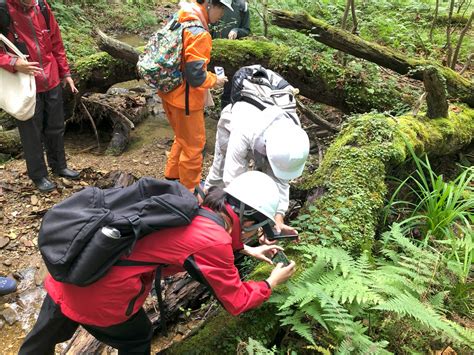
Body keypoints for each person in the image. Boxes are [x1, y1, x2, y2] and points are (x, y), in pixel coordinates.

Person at [19, 171, 296, 354]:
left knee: (40, 342)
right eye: (256, 227)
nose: (254, 233)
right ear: (246, 217)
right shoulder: (214, 240)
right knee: (137, 336)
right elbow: (237, 300)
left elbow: (191, 239)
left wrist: (247, 249)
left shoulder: (194, 200)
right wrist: (270, 283)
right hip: (99, 294)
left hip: (71, 270)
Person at [0, 0, 79, 193]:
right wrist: (13, 62)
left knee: (56, 126)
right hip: (24, 84)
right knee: (31, 133)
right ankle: (38, 175)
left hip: (50, 77)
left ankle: (59, 166)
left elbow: (56, 42)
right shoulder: (3, 9)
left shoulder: (42, 7)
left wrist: (66, 74)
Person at [204, 103, 310, 237]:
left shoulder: (293, 142)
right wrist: (241, 220)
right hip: (233, 123)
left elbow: (281, 183)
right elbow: (232, 180)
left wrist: (277, 218)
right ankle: (205, 210)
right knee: (218, 174)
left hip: (265, 142)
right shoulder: (244, 131)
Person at [158, 0, 230, 192]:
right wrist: (216, 80)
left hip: (169, 90)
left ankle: (172, 178)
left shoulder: (183, 16)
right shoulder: (199, 33)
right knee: (194, 145)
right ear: (209, 5)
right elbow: (196, 76)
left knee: (181, 138)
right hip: (186, 99)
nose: (221, 14)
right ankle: (189, 192)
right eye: (221, 9)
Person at [210, 0, 251, 108]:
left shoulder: (242, 6)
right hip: (211, 51)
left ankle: (226, 115)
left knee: (229, 90)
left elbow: (246, 29)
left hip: (231, 54)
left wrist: (237, 31)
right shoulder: (213, 3)